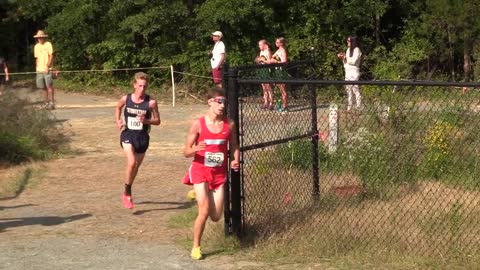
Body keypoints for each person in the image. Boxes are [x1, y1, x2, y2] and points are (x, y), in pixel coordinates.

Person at [182, 87, 240, 260]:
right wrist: (195, 149)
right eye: (219, 101)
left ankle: (199, 191)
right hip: (201, 170)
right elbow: (185, 151)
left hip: (219, 174)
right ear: (210, 102)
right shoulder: (198, 124)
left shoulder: (229, 124)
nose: (222, 105)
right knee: (204, 211)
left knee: (215, 217)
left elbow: (234, 145)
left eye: (224, 102)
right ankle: (196, 247)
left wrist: (234, 159)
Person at [115, 72, 161, 209]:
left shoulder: (151, 102)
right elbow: (118, 107)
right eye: (140, 86)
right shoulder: (126, 98)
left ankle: (127, 188)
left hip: (142, 137)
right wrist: (118, 120)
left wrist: (146, 120)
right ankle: (127, 194)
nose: (142, 89)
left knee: (135, 167)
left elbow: (158, 121)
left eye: (144, 86)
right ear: (135, 85)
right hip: (128, 134)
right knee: (131, 162)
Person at [337, 35, 362, 112]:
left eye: (349, 41)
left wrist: (345, 58)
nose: (347, 42)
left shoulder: (357, 50)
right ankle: (349, 107)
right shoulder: (348, 49)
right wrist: (342, 58)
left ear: (353, 42)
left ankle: (358, 108)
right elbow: (346, 61)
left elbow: (353, 61)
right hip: (347, 71)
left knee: (355, 90)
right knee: (348, 90)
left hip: (354, 72)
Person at [33, 30, 55, 109]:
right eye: (38, 38)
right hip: (39, 69)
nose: (39, 39)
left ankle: (52, 103)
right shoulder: (36, 46)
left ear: (43, 37)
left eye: (41, 37)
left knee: (49, 85)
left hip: (47, 69)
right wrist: (37, 67)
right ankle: (46, 103)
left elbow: (51, 56)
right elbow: (36, 58)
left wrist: (47, 66)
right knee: (42, 87)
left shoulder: (48, 44)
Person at [268, 37, 288, 112]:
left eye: (277, 42)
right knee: (278, 89)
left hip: (281, 71)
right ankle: (280, 105)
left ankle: (285, 106)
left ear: (281, 43)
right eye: (276, 42)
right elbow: (272, 59)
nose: (276, 43)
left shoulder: (283, 51)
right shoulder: (278, 51)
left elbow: (284, 62)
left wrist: (275, 61)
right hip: (277, 70)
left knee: (282, 89)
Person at [255, 39, 273, 110]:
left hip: (266, 70)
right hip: (261, 69)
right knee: (264, 87)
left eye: (260, 45)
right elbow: (260, 61)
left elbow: (269, 62)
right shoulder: (261, 52)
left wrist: (262, 60)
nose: (259, 46)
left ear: (264, 45)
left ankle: (271, 103)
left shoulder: (267, 51)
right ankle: (266, 102)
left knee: (268, 87)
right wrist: (258, 60)